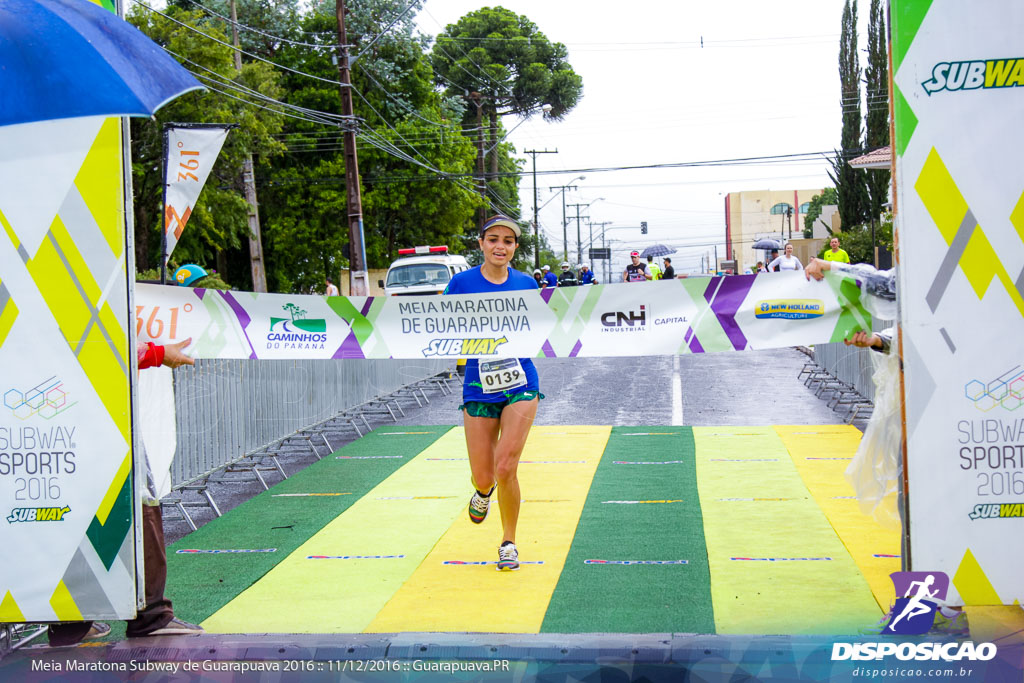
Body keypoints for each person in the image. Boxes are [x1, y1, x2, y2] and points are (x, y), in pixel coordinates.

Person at [48, 338, 204, 646]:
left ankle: (71, 619)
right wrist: (158, 353)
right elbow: (102, 346)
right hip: (96, 409)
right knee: (140, 504)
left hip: (62, 409)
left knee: (68, 506)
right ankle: (149, 614)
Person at [443, 215, 542, 572]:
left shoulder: (528, 284)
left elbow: (545, 324)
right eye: (493, 239)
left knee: (506, 468)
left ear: (515, 248)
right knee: (485, 476)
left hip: (521, 382)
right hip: (478, 384)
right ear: (481, 244)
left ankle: (508, 543)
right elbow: (436, 325)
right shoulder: (461, 283)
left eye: (508, 241)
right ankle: (482, 493)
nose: (501, 246)